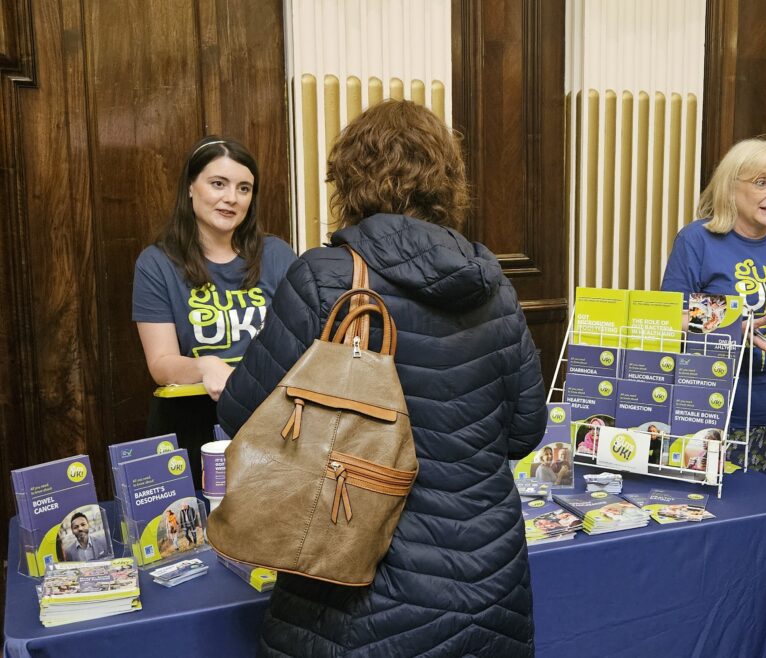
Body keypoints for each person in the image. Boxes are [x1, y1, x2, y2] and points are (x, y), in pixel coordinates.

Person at [217, 100, 546, 657]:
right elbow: (525, 431)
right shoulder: (493, 283)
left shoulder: (324, 280)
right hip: (489, 581)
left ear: (348, 178)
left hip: (357, 588)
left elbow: (240, 415)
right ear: (446, 182)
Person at [132, 136, 296, 488]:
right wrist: (205, 364)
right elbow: (161, 364)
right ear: (191, 187)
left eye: (244, 188)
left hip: (267, 423)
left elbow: (300, 345)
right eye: (218, 184)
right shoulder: (156, 263)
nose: (231, 198)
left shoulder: (279, 255)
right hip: (190, 430)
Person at [662, 138, 766, 483]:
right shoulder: (697, 240)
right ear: (731, 186)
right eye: (762, 183)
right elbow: (668, 319)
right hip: (717, 416)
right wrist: (731, 325)